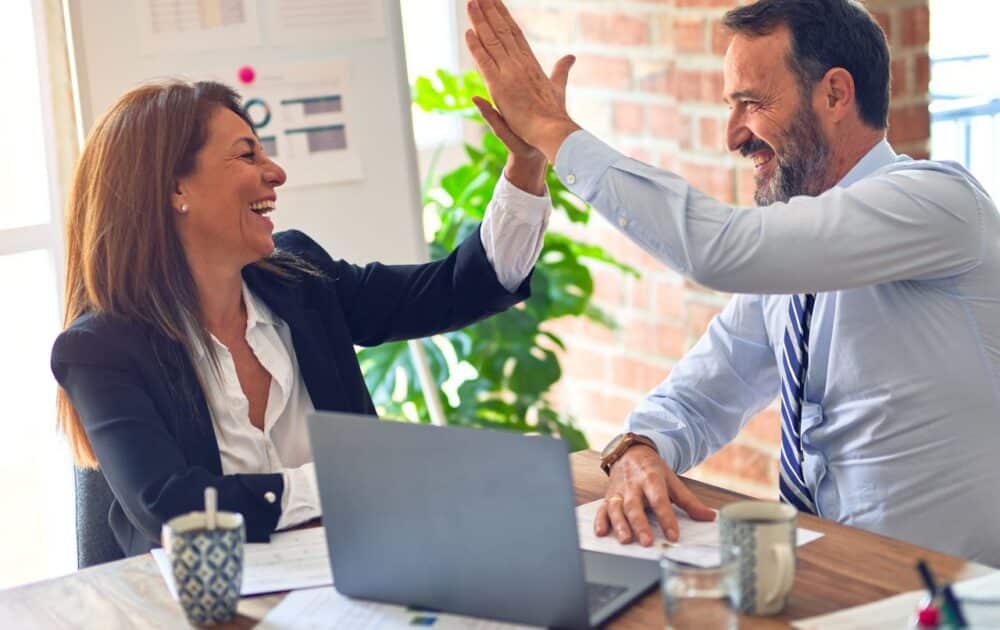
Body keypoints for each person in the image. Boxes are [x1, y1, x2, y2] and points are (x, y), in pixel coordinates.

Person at [464, 0, 1000, 566]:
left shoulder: (939, 203)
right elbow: (704, 393)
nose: (732, 136)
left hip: (953, 597)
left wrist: (554, 132)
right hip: (831, 579)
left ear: (836, 95)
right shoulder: (795, 262)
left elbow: (718, 250)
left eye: (752, 103)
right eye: (730, 106)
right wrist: (638, 448)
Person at [51, 79, 558, 556]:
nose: (275, 173)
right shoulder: (101, 349)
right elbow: (174, 509)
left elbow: (457, 289)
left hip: (355, 581)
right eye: (247, 154)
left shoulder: (300, 279)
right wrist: (347, 481)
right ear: (175, 190)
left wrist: (527, 161)